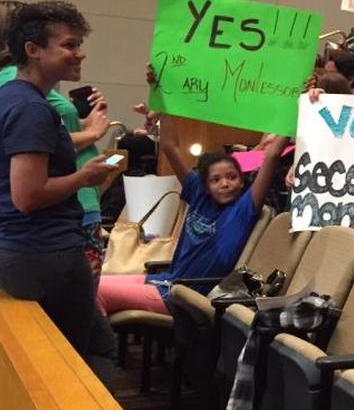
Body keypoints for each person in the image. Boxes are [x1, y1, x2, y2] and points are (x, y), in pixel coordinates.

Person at [0, 1, 120, 381]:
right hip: (45, 255)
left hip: (20, 252)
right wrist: (84, 176)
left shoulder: (11, 100)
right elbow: (27, 195)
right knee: (82, 360)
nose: (80, 53)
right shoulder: (30, 108)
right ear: (33, 50)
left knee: (64, 358)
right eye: (70, 45)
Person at [97, 104, 289, 315]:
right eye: (216, 180)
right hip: (166, 280)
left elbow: (271, 156)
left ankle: (91, 348)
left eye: (232, 177)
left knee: (95, 292)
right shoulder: (199, 194)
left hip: (186, 295)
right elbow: (170, 147)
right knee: (91, 283)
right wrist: (163, 103)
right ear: (205, 185)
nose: (225, 184)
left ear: (242, 182)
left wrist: (292, 110)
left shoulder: (244, 209)